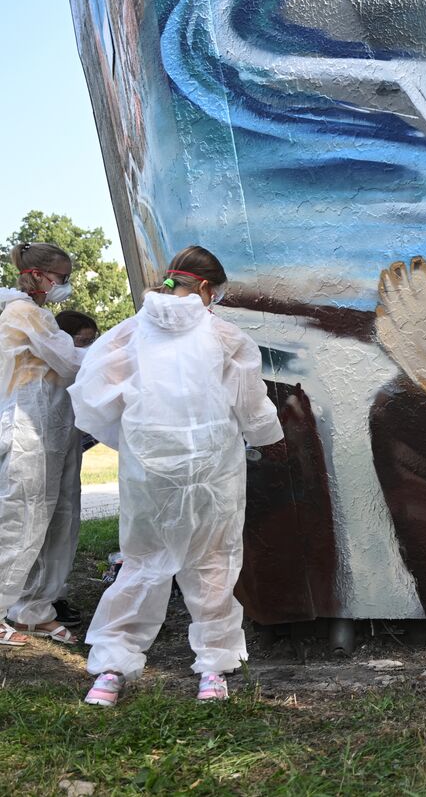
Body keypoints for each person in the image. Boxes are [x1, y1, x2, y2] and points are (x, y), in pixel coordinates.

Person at [70, 246, 284, 706]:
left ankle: (110, 669)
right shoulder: (225, 336)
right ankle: (213, 669)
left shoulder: (127, 333)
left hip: (149, 469)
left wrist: (132, 440)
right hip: (212, 469)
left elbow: (90, 397)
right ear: (207, 289)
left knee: (142, 560)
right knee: (213, 562)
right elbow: (250, 405)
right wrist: (265, 435)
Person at [0, 243, 85, 648]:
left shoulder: (40, 314)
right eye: (60, 278)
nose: (63, 285)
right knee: (21, 517)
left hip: (54, 428)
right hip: (29, 430)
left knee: (58, 520)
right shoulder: (21, 313)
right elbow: (68, 362)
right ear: (36, 275)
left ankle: (35, 608)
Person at [11, 311, 100, 635]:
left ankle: (49, 597)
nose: (89, 349)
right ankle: (25, 603)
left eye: (93, 342)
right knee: (32, 526)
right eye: (83, 342)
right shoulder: (38, 369)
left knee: (63, 524)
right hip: (36, 448)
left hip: (64, 447)